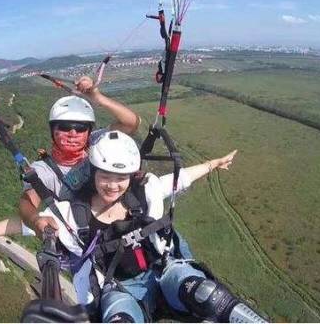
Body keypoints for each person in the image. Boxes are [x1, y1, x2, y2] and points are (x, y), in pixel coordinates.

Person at [32, 130, 265, 322]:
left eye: (120, 177)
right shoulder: (72, 215)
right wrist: (37, 223)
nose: (113, 185)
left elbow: (180, 179)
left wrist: (213, 164)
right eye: (105, 176)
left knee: (208, 295)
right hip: (118, 289)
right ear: (93, 173)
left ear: (131, 177)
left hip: (163, 271)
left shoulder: (143, 192)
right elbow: (26, 224)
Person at [0, 76, 140, 252]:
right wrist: (34, 221)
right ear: (53, 131)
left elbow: (131, 123)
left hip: (127, 225)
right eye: (65, 127)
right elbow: (28, 206)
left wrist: (97, 97)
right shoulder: (43, 171)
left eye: (81, 128)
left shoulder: (97, 143)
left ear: (89, 131)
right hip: (92, 242)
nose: (73, 134)